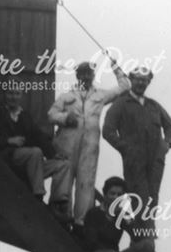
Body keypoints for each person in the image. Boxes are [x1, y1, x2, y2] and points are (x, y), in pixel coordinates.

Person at [48, 58, 130, 226]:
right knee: (64, 178)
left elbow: (125, 86)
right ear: (78, 76)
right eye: (83, 73)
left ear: (93, 75)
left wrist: (115, 67)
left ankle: (81, 222)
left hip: (90, 146)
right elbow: (51, 114)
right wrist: (64, 118)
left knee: (86, 182)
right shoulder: (66, 96)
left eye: (89, 73)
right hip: (67, 144)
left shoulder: (100, 95)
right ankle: (63, 217)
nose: (86, 76)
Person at [0, 87, 72, 218]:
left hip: (30, 168)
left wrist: (54, 155)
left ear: (20, 96)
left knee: (63, 164)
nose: (13, 97)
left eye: (16, 93)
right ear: (4, 94)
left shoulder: (25, 115)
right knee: (35, 152)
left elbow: (38, 136)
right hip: (7, 161)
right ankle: (38, 197)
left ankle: (57, 203)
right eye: (10, 93)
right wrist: (8, 140)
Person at [102, 67, 171, 212]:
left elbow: (170, 127)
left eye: (145, 80)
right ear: (131, 80)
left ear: (148, 83)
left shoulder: (154, 105)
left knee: (153, 196)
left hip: (156, 159)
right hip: (134, 159)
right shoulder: (121, 103)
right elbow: (107, 131)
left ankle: (148, 230)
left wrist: (167, 144)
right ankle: (143, 233)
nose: (141, 83)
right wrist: (125, 148)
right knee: (138, 196)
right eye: (138, 80)